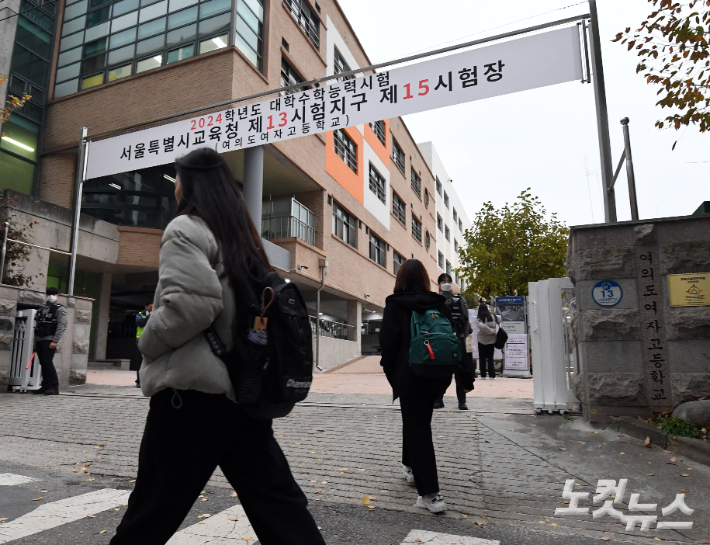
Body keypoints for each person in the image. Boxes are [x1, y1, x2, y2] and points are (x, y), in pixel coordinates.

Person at [110, 148, 325, 545]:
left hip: (189, 400)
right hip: (241, 396)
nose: (174, 187)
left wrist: (148, 344)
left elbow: (192, 305)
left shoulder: (186, 228)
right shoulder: (240, 238)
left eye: (176, 178)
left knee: (149, 515)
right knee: (280, 509)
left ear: (188, 183)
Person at [379, 260, 473, 514]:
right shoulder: (438, 303)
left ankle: (431, 494)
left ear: (400, 279)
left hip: (410, 373)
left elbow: (387, 344)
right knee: (417, 420)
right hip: (439, 373)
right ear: (424, 278)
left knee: (417, 425)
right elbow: (454, 336)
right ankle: (410, 466)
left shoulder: (395, 304)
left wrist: (392, 374)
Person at [433, 273, 475, 411]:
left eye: (448, 281)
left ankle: (462, 401)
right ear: (438, 284)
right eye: (443, 281)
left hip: (458, 340)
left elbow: (466, 320)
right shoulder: (435, 301)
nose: (445, 284)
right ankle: (438, 399)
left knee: (460, 371)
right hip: (441, 340)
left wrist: (463, 339)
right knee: (441, 371)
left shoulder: (459, 300)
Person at [33, 287, 67, 395]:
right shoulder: (42, 309)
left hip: (50, 340)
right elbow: (37, 326)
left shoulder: (60, 309)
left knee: (48, 363)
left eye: (53, 294)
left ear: (57, 295)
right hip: (40, 340)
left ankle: (54, 386)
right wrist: (35, 342)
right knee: (43, 363)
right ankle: (46, 386)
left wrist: (55, 341)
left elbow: (62, 326)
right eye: (49, 294)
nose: (51, 296)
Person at [477, 302, 498, 379]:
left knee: (482, 358)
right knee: (490, 358)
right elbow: (496, 324)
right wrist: (492, 331)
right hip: (491, 340)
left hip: (481, 340)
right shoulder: (492, 317)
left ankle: (483, 375)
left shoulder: (479, 319)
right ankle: (492, 375)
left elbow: (481, 327)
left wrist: (488, 330)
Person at [134, 302, 153, 388]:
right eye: (150, 307)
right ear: (146, 306)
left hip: (152, 341)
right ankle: (139, 381)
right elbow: (140, 323)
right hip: (141, 341)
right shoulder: (140, 314)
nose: (152, 308)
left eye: (153, 307)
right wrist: (150, 316)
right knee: (141, 361)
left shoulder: (157, 314)